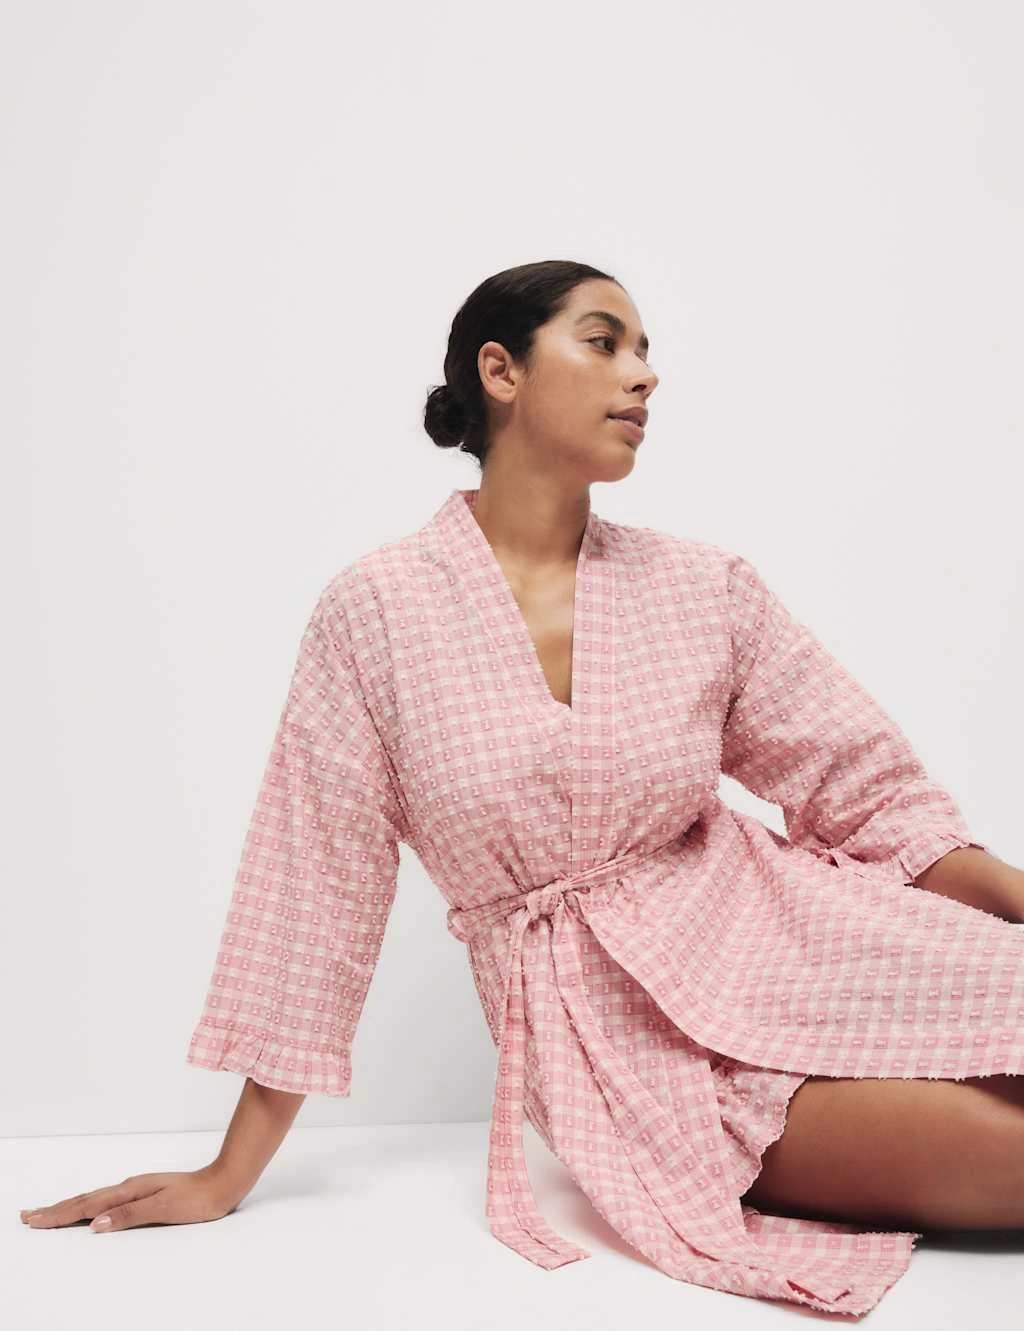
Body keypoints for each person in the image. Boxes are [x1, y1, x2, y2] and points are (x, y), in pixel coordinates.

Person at [21, 259, 1024, 1315]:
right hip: (617, 1045)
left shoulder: (703, 586)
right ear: (501, 371)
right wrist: (229, 1172)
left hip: (794, 942)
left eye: (646, 351)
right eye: (604, 341)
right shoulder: (378, 615)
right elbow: (313, 896)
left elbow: (865, 788)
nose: (643, 375)